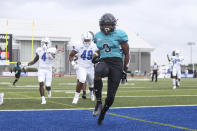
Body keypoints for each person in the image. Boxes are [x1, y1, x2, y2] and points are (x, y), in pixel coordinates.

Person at [92, 13, 130, 125]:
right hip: (104, 61)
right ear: (101, 25)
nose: (107, 27)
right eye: (105, 25)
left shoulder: (120, 34)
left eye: (109, 24)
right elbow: (101, 49)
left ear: (113, 25)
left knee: (111, 96)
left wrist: (124, 69)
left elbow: (127, 53)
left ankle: (103, 112)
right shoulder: (97, 36)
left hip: (117, 63)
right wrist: (95, 55)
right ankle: (98, 102)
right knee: (97, 71)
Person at [69, 32, 98, 104]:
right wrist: (73, 64)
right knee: (82, 80)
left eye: (88, 40)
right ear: (82, 39)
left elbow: (99, 54)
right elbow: (70, 56)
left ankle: (91, 93)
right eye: (86, 40)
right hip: (81, 66)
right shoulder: (78, 45)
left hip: (90, 67)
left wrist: (96, 55)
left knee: (91, 83)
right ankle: (76, 97)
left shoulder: (94, 46)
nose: (87, 41)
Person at [28, 37, 56, 104]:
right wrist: (29, 63)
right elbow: (36, 59)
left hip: (48, 70)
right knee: (41, 83)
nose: (44, 44)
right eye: (43, 43)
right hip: (41, 69)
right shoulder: (39, 50)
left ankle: (49, 91)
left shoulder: (52, 49)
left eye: (45, 43)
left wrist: (48, 52)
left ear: (49, 43)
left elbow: (53, 57)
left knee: (48, 86)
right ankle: (43, 99)